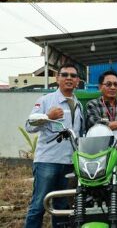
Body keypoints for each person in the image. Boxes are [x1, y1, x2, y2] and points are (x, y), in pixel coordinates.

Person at [24, 63, 85, 228]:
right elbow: (29, 126)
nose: (69, 78)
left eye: (73, 76)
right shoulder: (45, 100)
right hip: (48, 162)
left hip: (69, 163)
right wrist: (47, 116)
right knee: (38, 205)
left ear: (78, 81)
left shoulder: (78, 104)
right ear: (57, 78)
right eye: (65, 75)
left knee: (62, 207)